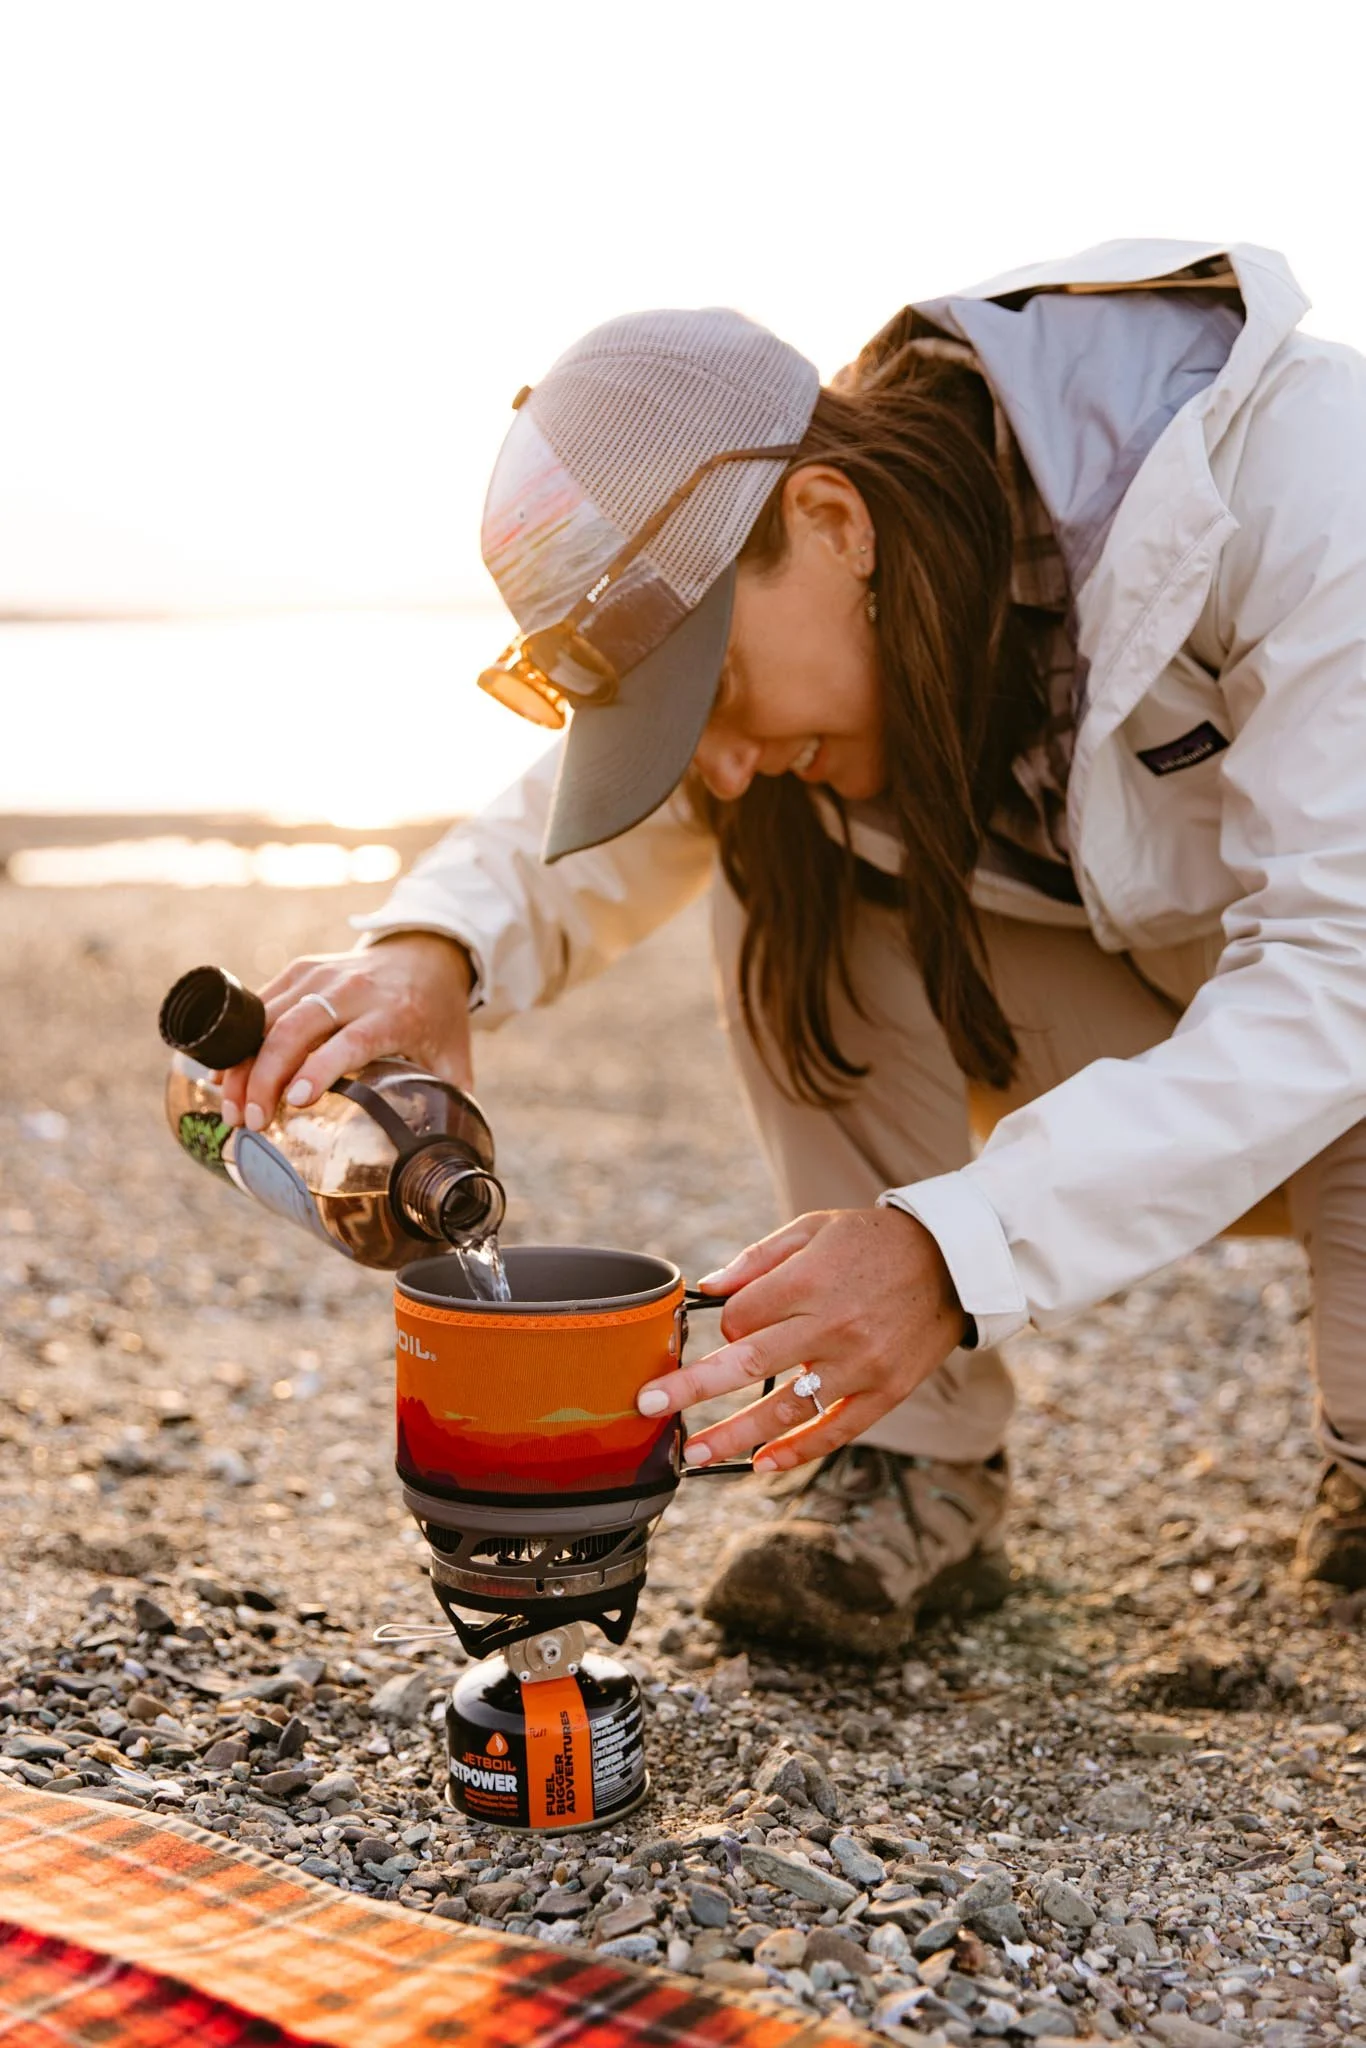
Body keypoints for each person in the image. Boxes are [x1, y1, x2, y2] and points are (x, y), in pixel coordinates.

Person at [220, 238, 1366, 1659]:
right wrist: (431, 950)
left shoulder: (1302, 481)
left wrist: (947, 1250)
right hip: (1216, 1042)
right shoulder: (860, 587)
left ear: (829, 518)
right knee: (781, 873)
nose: (729, 758)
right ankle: (911, 1464)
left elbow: (1337, 978)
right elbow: (605, 813)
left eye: (720, 690)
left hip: (1342, 1019)